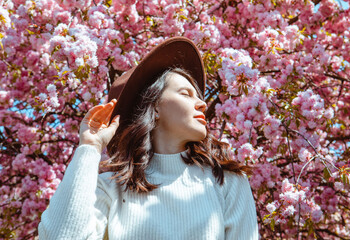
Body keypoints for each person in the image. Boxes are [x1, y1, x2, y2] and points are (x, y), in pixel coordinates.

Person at [38, 37, 259, 239]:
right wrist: (89, 147)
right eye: (185, 94)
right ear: (154, 108)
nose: (202, 104)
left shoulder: (227, 182)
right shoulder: (111, 188)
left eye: (199, 97)